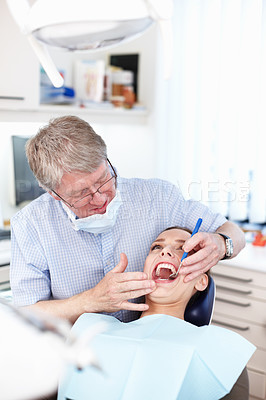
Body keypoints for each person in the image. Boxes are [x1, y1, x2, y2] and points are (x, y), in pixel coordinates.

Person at [10, 115, 245, 324]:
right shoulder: (31, 226)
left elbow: (233, 232)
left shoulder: (158, 198)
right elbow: (26, 316)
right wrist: (90, 301)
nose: (100, 197)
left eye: (104, 179)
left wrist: (222, 243)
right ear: (54, 193)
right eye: (81, 193)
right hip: (78, 355)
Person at [57, 227, 254, 400]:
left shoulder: (221, 353)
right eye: (156, 248)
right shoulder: (91, 330)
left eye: (182, 248)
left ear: (201, 281)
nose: (166, 251)